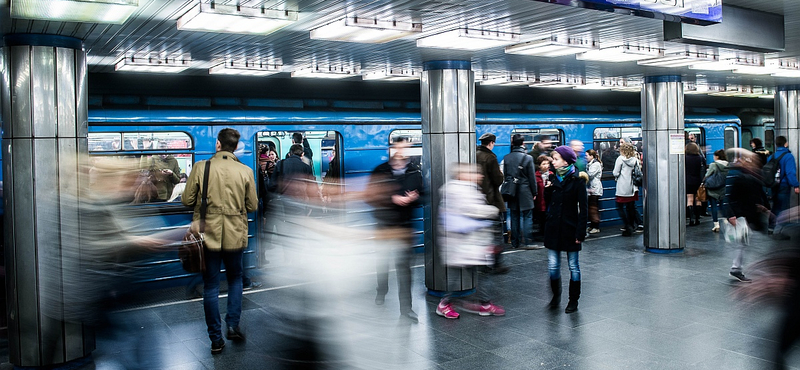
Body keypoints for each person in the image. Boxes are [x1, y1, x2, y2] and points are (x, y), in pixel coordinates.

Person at [182, 128, 258, 354]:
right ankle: (232, 324)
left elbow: (187, 200)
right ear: (235, 147)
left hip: (208, 234)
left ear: (217, 144)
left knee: (211, 286)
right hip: (235, 233)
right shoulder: (245, 171)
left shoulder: (200, 168)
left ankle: (215, 339)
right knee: (235, 280)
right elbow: (253, 205)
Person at [435, 163, 505, 319]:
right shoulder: (457, 190)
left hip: (471, 244)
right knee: (458, 278)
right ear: (462, 175)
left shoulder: (468, 189)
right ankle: (444, 304)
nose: (479, 176)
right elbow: (471, 210)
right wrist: (492, 210)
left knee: (482, 273)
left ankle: (485, 304)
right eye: (474, 173)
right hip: (461, 244)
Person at [367, 137, 423, 323]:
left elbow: (424, 195)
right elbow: (369, 196)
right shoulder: (380, 170)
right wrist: (392, 199)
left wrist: (414, 199)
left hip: (404, 228)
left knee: (404, 269)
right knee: (382, 263)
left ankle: (406, 309)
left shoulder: (415, 171)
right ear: (392, 149)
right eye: (398, 148)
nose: (401, 151)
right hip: (383, 226)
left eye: (405, 148)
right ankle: (381, 291)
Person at [544, 146, 588, 313]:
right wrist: (547, 190)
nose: (552, 162)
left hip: (571, 229)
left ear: (565, 160)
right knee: (553, 266)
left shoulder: (578, 181)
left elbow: (583, 209)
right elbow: (548, 202)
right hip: (553, 228)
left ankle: (573, 301)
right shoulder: (553, 178)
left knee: (573, 266)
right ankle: (555, 297)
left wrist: (580, 232)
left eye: (555, 159)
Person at [726, 149, 769, 283]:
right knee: (744, 242)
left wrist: (763, 206)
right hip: (743, 214)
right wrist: (732, 215)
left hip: (749, 213)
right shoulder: (740, 176)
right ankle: (737, 268)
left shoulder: (749, 175)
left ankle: (737, 268)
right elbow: (730, 197)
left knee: (744, 242)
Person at [476, 133, 515, 275]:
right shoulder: (490, 157)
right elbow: (498, 179)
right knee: (496, 234)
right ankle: (497, 263)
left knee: (481, 234)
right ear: (491, 143)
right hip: (491, 201)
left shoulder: (474, 154)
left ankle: (482, 264)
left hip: (478, 201)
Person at [503, 134, 538, 249]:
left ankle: (515, 242)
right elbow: (532, 178)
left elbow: (506, 176)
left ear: (512, 143)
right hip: (525, 191)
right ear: (523, 143)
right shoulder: (528, 158)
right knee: (527, 216)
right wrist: (535, 192)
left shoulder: (507, 157)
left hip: (512, 191)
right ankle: (527, 241)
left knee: (514, 216)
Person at [767, 136, 800, 231]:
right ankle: (781, 230)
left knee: (776, 206)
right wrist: (796, 185)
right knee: (783, 208)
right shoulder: (788, 156)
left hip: (773, 185)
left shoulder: (771, 156)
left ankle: (771, 227)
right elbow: (790, 173)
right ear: (786, 144)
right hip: (783, 185)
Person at [612, 143, 639, 236]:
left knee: (619, 207)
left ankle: (627, 225)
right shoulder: (635, 160)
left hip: (622, 187)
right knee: (630, 208)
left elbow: (615, 172)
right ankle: (631, 225)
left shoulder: (620, 159)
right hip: (632, 188)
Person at [705, 149, 729, 232]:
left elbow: (707, 175)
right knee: (722, 205)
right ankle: (726, 221)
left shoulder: (713, 165)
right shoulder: (727, 165)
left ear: (717, 156)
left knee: (714, 206)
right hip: (722, 187)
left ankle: (716, 224)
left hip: (713, 188)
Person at [685, 143, 706, 226]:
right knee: (698, 199)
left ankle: (691, 219)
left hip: (688, 181)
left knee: (690, 199)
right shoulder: (700, 158)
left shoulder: (685, 158)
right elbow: (704, 168)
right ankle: (697, 219)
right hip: (698, 181)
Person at [532, 156, 552, 242]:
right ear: (539, 165)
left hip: (549, 200)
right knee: (541, 218)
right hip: (539, 201)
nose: (546, 165)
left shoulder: (551, 174)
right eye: (543, 164)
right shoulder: (536, 176)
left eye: (547, 163)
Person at [585, 149, 603, 234]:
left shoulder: (596, 164)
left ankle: (596, 226)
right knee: (591, 207)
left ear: (591, 156)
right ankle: (592, 225)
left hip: (595, 188)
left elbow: (590, 175)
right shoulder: (590, 164)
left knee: (594, 207)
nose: (586, 157)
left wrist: (585, 171)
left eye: (587, 155)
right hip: (591, 188)